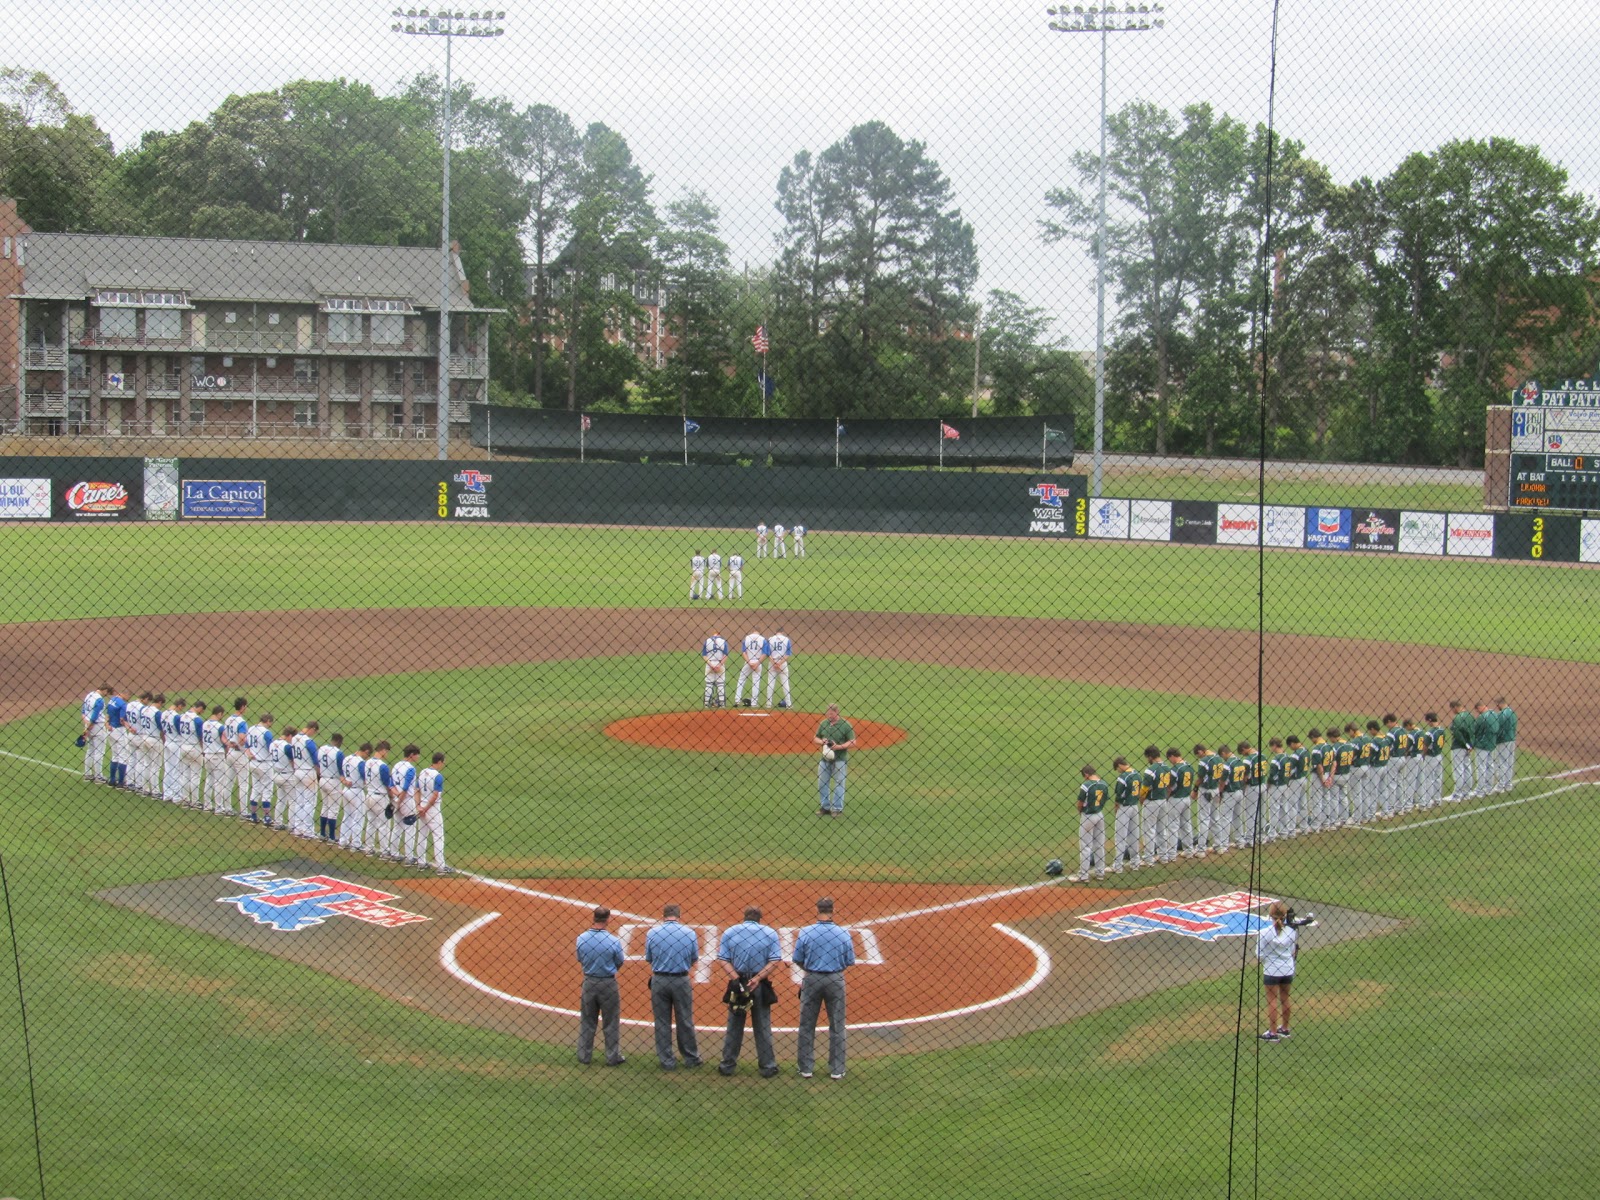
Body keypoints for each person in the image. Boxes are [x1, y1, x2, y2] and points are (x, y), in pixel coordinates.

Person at [793, 897, 855, 1079]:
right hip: (835, 979)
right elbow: (849, 960)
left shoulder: (806, 932)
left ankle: (806, 1068)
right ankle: (837, 1069)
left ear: (817, 909)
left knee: (806, 1025)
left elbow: (797, 958)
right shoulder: (843, 933)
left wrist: (810, 970)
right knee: (837, 1025)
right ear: (833, 910)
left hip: (811, 978)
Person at [717, 906, 783, 1076]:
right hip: (759, 984)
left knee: (734, 1025)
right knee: (762, 1026)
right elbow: (774, 960)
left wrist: (736, 979)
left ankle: (727, 1066)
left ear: (744, 917)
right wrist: (758, 978)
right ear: (759, 918)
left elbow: (723, 959)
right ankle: (768, 1067)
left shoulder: (730, 932)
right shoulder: (770, 933)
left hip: (737, 982)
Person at [644, 904, 702, 1070]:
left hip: (659, 980)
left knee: (662, 1022)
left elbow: (649, 957)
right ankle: (691, 1058)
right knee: (685, 1019)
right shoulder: (689, 933)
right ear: (679, 915)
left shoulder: (652, 933)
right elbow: (693, 958)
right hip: (681, 980)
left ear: (664, 916)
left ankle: (667, 1061)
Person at [576, 907, 626, 1066]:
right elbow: (619, 962)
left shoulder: (581, 938)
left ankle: (584, 1055)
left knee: (587, 1020)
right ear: (608, 919)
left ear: (594, 918)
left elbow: (580, 958)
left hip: (589, 982)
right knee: (611, 1021)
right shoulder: (613, 941)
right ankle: (612, 1057)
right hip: (608, 983)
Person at [1256, 900, 1298, 1042]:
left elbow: (1259, 954)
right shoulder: (1291, 932)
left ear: (1271, 915)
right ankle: (1285, 1029)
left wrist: (1269, 959)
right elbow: (1292, 951)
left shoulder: (1264, 933)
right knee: (1285, 998)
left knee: (1272, 1001)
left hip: (1272, 970)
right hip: (1287, 969)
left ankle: (1273, 1033)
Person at [814, 703, 856, 816]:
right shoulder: (824, 723)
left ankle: (837, 809)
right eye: (828, 714)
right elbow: (815, 738)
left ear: (837, 712)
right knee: (822, 783)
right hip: (824, 759)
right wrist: (822, 741)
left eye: (831, 714)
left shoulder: (846, 725)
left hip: (840, 759)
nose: (829, 716)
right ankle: (825, 807)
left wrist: (838, 747)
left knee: (839, 783)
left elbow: (853, 742)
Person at [1070, 765, 1108, 881]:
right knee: (1099, 845)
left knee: (1086, 846)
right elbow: (1105, 799)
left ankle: (1083, 876)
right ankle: (1100, 873)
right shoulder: (1104, 784)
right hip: (1100, 815)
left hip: (1088, 816)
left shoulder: (1086, 785)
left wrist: (1081, 812)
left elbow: (1080, 803)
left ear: (1086, 774)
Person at [1140, 746, 1172, 867]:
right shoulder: (1167, 768)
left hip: (1152, 802)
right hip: (1163, 801)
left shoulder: (1150, 770)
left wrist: (1141, 799)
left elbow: (1144, 788)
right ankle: (1164, 856)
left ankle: (1148, 858)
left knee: (1148, 830)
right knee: (1162, 829)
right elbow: (1168, 786)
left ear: (1150, 756)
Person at [416, 751, 448, 872]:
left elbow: (417, 790)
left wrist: (419, 806)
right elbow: (435, 796)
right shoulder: (437, 776)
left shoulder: (423, 772)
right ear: (439, 762)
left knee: (422, 835)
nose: (443, 765)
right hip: (432, 809)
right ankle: (441, 867)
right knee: (438, 836)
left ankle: (421, 862)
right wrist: (426, 808)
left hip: (422, 806)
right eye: (443, 762)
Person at [391, 744, 423, 862]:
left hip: (396, 799)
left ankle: (394, 854)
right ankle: (409, 857)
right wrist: (401, 800)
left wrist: (397, 799)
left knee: (397, 827)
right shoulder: (410, 769)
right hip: (407, 801)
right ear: (411, 755)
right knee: (410, 828)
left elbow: (391, 785)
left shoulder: (396, 766)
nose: (418, 757)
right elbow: (406, 788)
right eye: (417, 754)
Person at [363, 741, 394, 855]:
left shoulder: (367, 762)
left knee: (370, 822)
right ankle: (384, 850)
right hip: (380, 797)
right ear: (383, 750)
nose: (387, 754)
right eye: (387, 751)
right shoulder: (382, 766)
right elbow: (387, 784)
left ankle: (368, 848)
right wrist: (391, 798)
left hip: (369, 794)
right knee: (383, 825)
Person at [1111, 756, 1142, 870]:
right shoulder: (1137, 774)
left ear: (1119, 765)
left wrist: (1116, 808)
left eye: (1117, 769)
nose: (1118, 771)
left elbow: (1118, 796)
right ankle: (1135, 863)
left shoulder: (1123, 777)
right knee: (1134, 836)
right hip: (1135, 806)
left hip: (1124, 808)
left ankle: (1118, 866)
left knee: (1120, 837)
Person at [1192, 743, 1223, 857]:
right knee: (1215, 818)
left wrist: (1195, 790)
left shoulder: (1204, 761)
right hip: (1216, 789)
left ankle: (1201, 850)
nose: (1198, 757)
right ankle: (1218, 846)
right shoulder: (1218, 758)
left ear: (1200, 751)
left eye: (1198, 755)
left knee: (1204, 819)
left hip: (1206, 791)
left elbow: (1200, 778)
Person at [339, 742, 370, 851]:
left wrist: (344, 781)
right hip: (356, 791)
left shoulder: (347, 758)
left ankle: (343, 841)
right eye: (368, 754)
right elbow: (365, 777)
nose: (367, 757)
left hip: (346, 790)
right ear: (366, 751)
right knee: (358, 817)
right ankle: (356, 844)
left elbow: (341, 773)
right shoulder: (360, 762)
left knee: (347, 816)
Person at [246, 712, 276, 823]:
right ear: (268, 721)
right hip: (265, 764)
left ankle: (253, 815)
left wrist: (249, 754)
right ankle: (267, 817)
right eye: (270, 723)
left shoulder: (251, 729)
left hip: (253, 763)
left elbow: (246, 745)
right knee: (267, 790)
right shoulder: (266, 733)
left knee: (255, 788)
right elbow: (271, 750)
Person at [223, 697, 250, 817]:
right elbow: (242, 738)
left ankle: (227, 808)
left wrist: (230, 743)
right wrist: (241, 745)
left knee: (228, 782)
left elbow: (224, 735)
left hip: (229, 753)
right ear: (243, 706)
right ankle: (244, 812)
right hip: (239, 754)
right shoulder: (241, 722)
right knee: (243, 783)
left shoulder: (228, 719)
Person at [317, 733, 346, 840]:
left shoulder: (322, 748)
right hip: (333, 782)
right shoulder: (338, 753)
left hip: (322, 779)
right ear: (339, 741)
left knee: (325, 806)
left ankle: (322, 833)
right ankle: (332, 837)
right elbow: (341, 770)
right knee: (333, 809)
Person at [1446, 700, 1474, 803]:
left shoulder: (1457, 718)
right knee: (1467, 768)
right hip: (1469, 747)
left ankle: (1457, 795)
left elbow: (1457, 732)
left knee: (1458, 770)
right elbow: (1473, 731)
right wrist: (1470, 745)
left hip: (1459, 746)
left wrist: (1465, 744)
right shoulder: (1470, 716)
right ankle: (1466, 793)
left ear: (1455, 707)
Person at [201, 705, 228, 813]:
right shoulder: (220, 727)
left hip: (207, 754)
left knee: (209, 780)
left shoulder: (204, 724)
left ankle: (207, 805)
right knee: (219, 782)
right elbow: (225, 742)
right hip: (217, 755)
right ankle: (219, 807)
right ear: (219, 714)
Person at [1471, 701, 1500, 798]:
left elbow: (1475, 731)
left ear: (1479, 708)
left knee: (1481, 767)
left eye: (1477, 710)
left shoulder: (1482, 717)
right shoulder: (1494, 714)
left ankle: (1480, 790)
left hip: (1482, 745)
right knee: (1490, 765)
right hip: (1492, 744)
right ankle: (1489, 788)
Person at [81, 685, 108, 782]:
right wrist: (91, 723)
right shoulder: (99, 699)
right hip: (97, 726)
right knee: (99, 752)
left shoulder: (89, 695)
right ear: (104, 690)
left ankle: (87, 774)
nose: (106, 694)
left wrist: (86, 723)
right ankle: (98, 776)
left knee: (90, 750)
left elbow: (83, 710)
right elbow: (96, 713)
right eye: (106, 692)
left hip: (88, 725)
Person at [736, 630, 767, 707]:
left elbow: (744, 652)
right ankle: (754, 703)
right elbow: (764, 653)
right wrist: (757, 663)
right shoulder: (762, 639)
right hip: (757, 662)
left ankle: (737, 700)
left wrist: (749, 662)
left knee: (741, 679)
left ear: (753, 631)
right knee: (756, 682)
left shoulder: (747, 638)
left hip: (748, 661)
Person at [1493, 697, 1517, 794]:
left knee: (1501, 762)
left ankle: (1501, 785)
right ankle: (1508, 784)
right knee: (1509, 762)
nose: (1497, 706)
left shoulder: (1502, 714)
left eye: (1497, 704)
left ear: (1500, 703)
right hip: (1511, 739)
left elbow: (1499, 729)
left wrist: (1496, 739)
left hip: (1503, 741)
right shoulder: (1512, 712)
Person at [766, 629, 793, 709]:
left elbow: (768, 653)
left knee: (770, 683)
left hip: (772, 663)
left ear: (776, 632)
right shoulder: (786, 639)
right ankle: (788, 704)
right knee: (785, 684)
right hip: (783, 663)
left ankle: (768, 704)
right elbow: (788, 654)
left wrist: (774, 663)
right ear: (782, 632)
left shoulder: (770, 639)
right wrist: (780, 663)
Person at [701, 630, 729, 709]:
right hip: (720, 664)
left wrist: (711, 665)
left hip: (710, 664)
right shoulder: (723, 642)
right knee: (720, 685)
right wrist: (719, 665)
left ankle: (706, 704)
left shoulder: (707, 641)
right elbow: (726, 655)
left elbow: (704, 656)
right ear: (719, 635)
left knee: (709, 684)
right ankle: (722, 704)